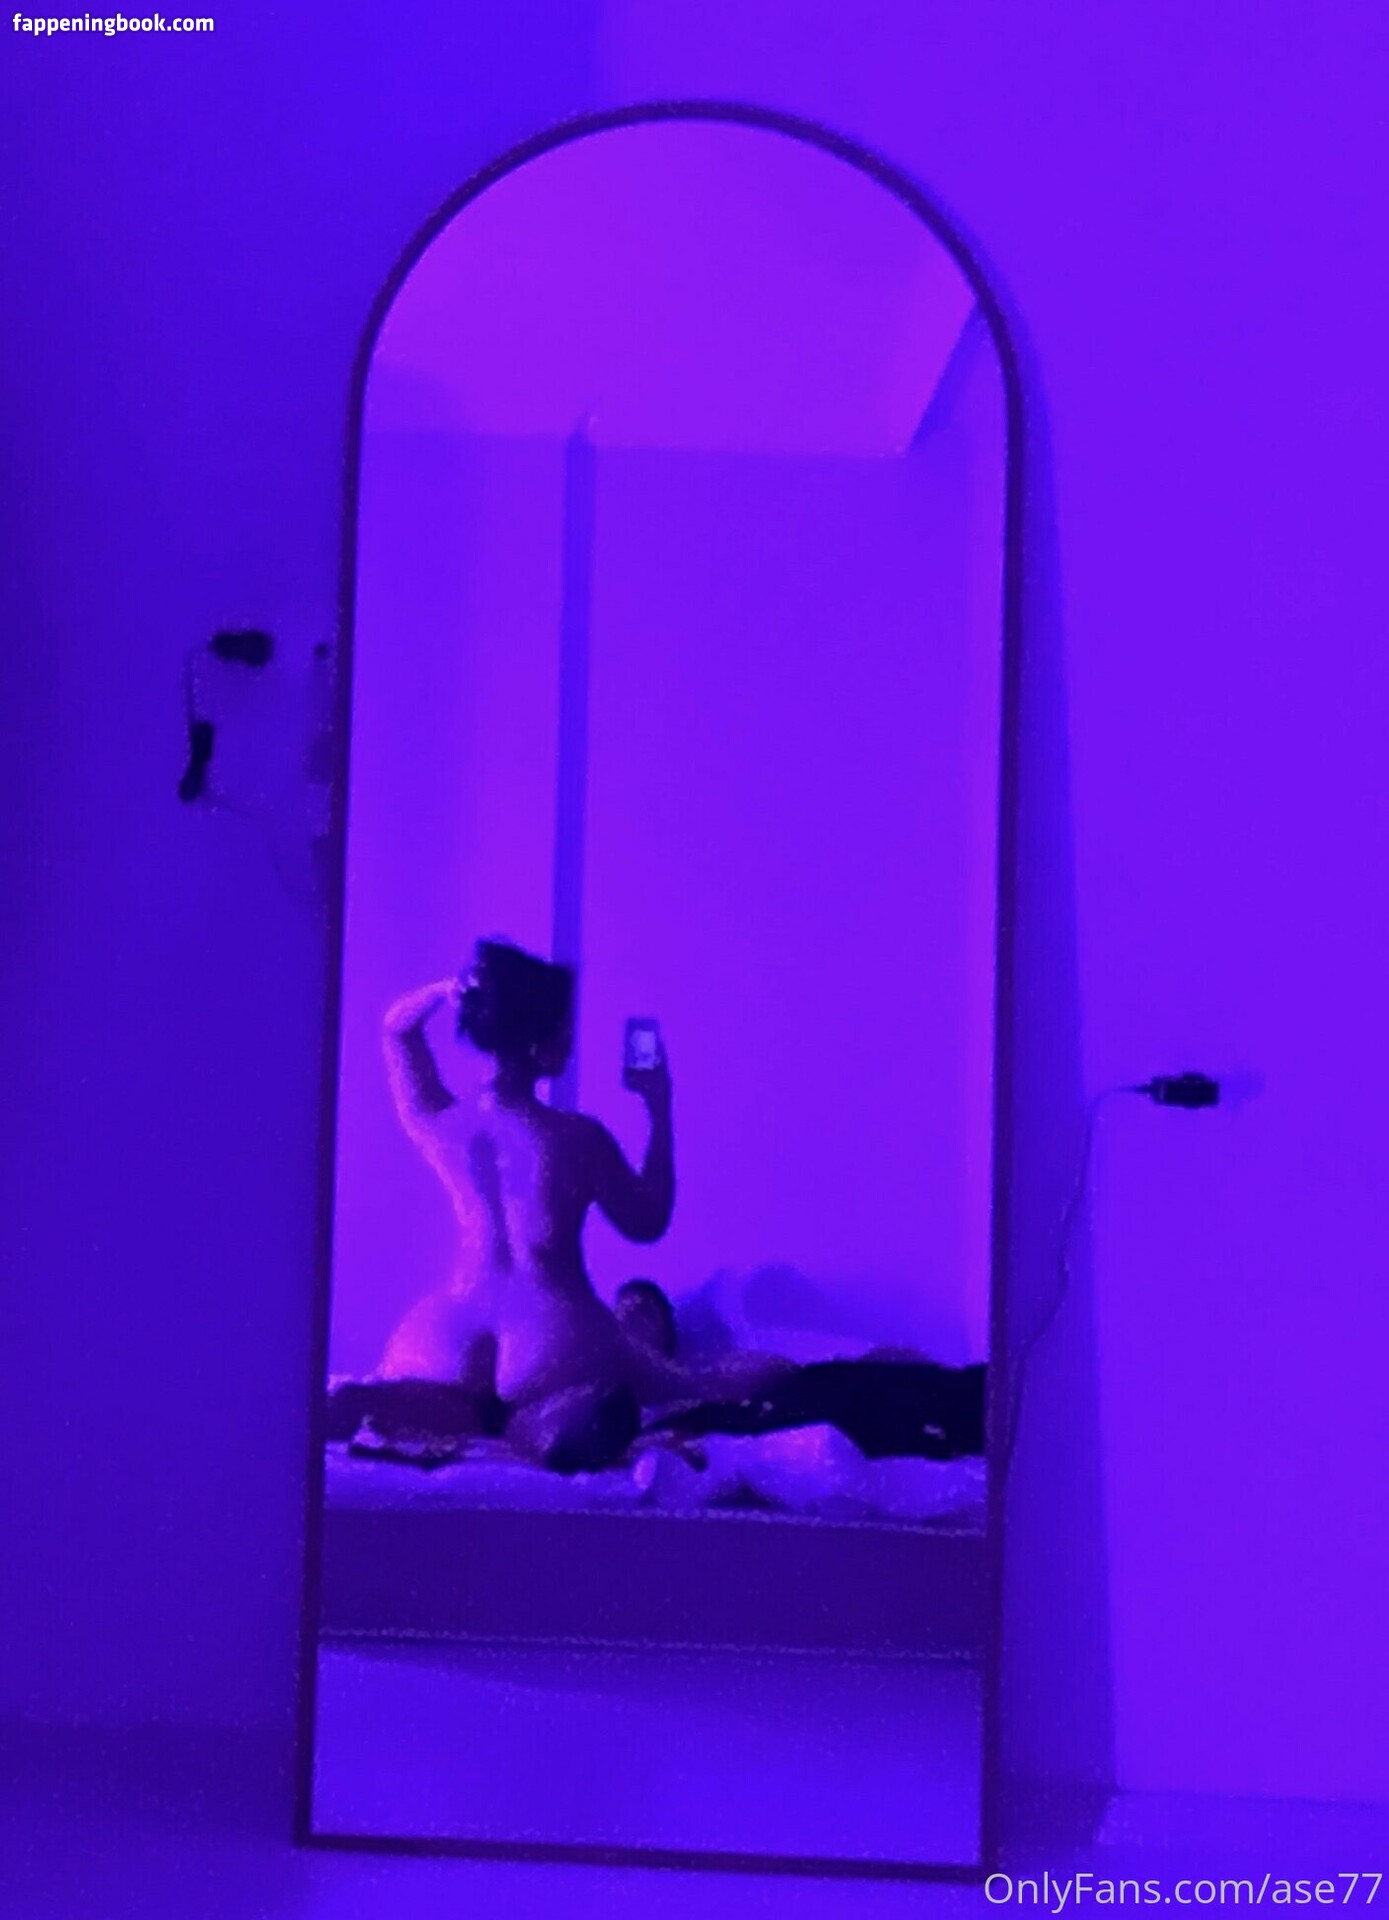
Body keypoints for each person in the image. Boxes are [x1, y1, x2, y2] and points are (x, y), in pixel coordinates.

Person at [329, 938, 779, 1473]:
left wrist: (450, 990)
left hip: (447, 1333)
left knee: (435, 1402)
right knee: (711, 1382)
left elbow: (396, 1028)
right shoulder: (577, 1138)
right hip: (550, 1333)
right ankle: (538, 1427)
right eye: (564, 1027)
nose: (570, 1039)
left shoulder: (444, 1125)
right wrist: (659, 1109)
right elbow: (648, 1220)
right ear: (540, 1042)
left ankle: (428, 1411)